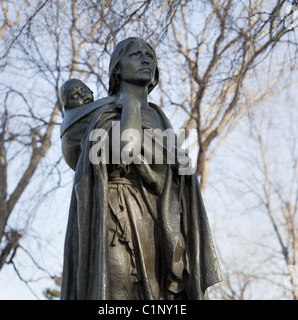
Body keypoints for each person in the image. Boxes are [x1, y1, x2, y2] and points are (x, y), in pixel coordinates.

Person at [60, 37, 222, 300]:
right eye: (136, 54)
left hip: (160, 224)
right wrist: (131, 106)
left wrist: (181, 168)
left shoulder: (160, 117)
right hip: (116, 220)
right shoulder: (103, 113)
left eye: (151, 55)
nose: (147, 59)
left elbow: (178, 172)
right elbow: (126, 147)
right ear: (117, 69)